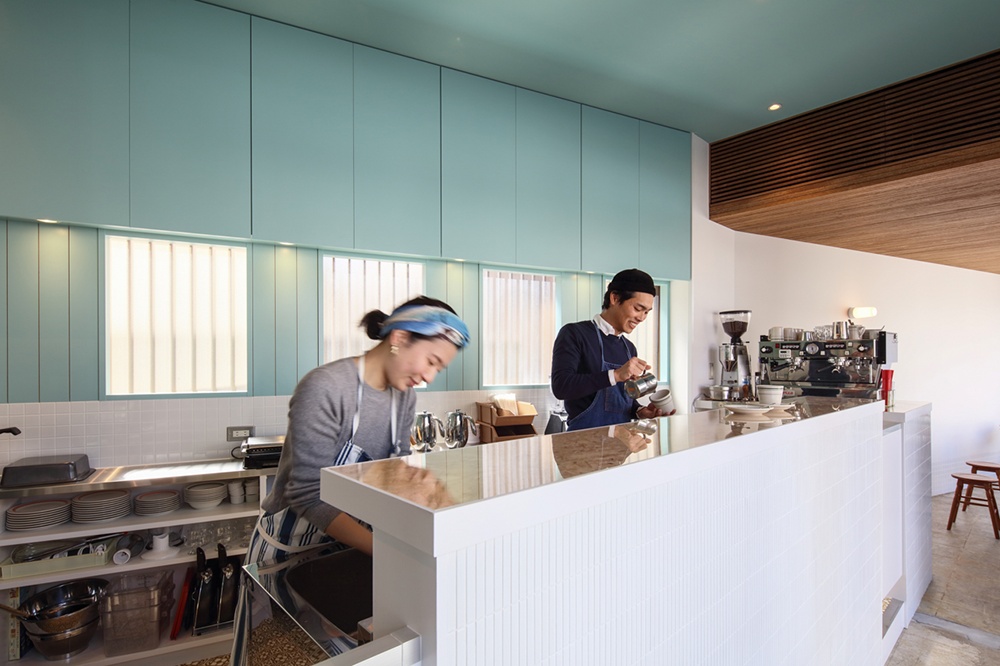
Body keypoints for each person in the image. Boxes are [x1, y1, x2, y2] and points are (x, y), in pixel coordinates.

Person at [231, 295, 469, 665]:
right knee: (274, 654)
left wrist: (432, 496)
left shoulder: (402, 398)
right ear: (400, 338)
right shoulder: (326, 387)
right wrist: (387, 551)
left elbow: (392, 474)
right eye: (431, 361)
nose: (429, 376)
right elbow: (307, 495)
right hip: (285, 556)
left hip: (341, 551)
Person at [551, 268, 673, 431]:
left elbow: (622, 401)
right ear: (615, 298)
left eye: (646, 312)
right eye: (638, 309)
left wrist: (639, 411)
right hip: (583, 441)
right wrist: (615, 375)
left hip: (621, 442)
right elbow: (561, 387)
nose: (642, 318)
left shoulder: (629, 348)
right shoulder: (575, 334)